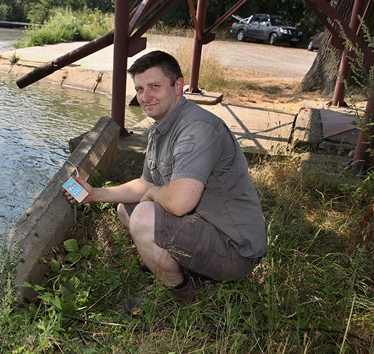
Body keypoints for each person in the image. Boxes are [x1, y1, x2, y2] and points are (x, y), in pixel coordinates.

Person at [63, 50, 267, 304]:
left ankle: (181, 296)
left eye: (154, 86)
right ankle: (185, 269)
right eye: (139, 89)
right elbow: (146, 183)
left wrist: (152, 195)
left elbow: (179, 202)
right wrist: (94, 194)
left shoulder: (197, 129)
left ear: (178, 86)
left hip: (235, 249)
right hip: (205, 228)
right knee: (126, 210)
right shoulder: (162, 128)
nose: (145, 97)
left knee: (144, 215)